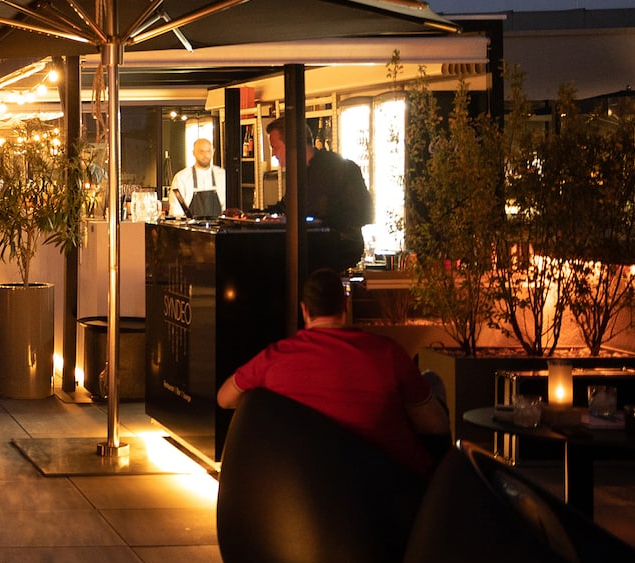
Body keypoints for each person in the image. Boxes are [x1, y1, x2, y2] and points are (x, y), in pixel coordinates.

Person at [218, 269, 448, 475]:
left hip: (305, 488)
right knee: (432, 382)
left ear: (304, 310)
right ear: (345, 306)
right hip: (388, 484)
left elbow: (225, 398)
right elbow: (435, 426)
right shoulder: (387, 353)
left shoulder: (274, 358)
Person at [266, 121, 372, 272]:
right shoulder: (299, 174)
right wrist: (246, 216)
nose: (273, 154)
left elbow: (362, 213)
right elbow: (285, 209)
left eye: (275, 147)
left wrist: (322, 221)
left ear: (293, 144)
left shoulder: (340, 168)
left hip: (334, 252)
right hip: (313, 251)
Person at [170, 137, 229, 218]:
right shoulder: (181, 178)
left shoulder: (222, 175)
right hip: (190, 229)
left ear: (213, 152)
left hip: (218, 228)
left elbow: (228, 209)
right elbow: (175, 211)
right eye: (201, 151)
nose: (205, 155)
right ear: (194, 153)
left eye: (208, 151)